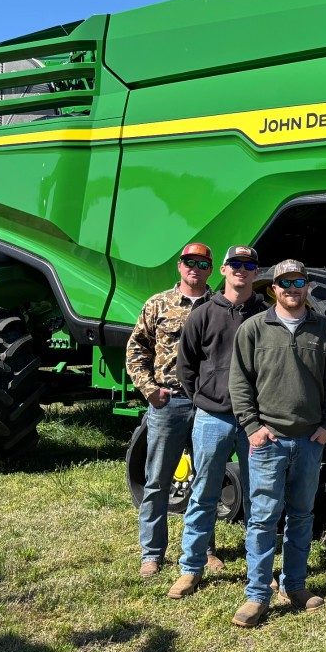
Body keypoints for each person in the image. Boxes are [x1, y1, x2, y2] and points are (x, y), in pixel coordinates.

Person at [228, 260, 326, 628]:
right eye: (284, 282)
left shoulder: (324, 330)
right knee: (262, 518)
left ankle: (294, 585)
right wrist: (252, 428)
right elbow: (239, 384)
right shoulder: (253, 329)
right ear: (273, 288)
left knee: (302, 516)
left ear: (307, 286)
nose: (292, 287)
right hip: (269, 440)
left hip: (309, 440)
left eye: (298, 281)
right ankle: (257, 595)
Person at [167, 245, 266, 599]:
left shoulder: (266, 316)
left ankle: (261, 570)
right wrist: (203, 400)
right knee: (203, 494)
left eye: (249, 265)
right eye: (235, 264)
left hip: (255, 422)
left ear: (256, 272)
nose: (242, 269)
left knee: (260, 499)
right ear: (223, 270)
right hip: (212, 418)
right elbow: (186, 366)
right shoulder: (203, 314)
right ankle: (190, 569)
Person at [125, 242, 214, 578]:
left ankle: (204, 550)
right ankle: (152, 553)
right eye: (189, 262)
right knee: (158, 479)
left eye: (202, 264)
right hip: (169, 402)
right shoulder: (159, 304)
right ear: (179, 266)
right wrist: (150, 391)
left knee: (205, 480)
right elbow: (136, 349)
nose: (195, 268)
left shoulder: (219, 305)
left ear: (210, 268)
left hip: (207, 404)